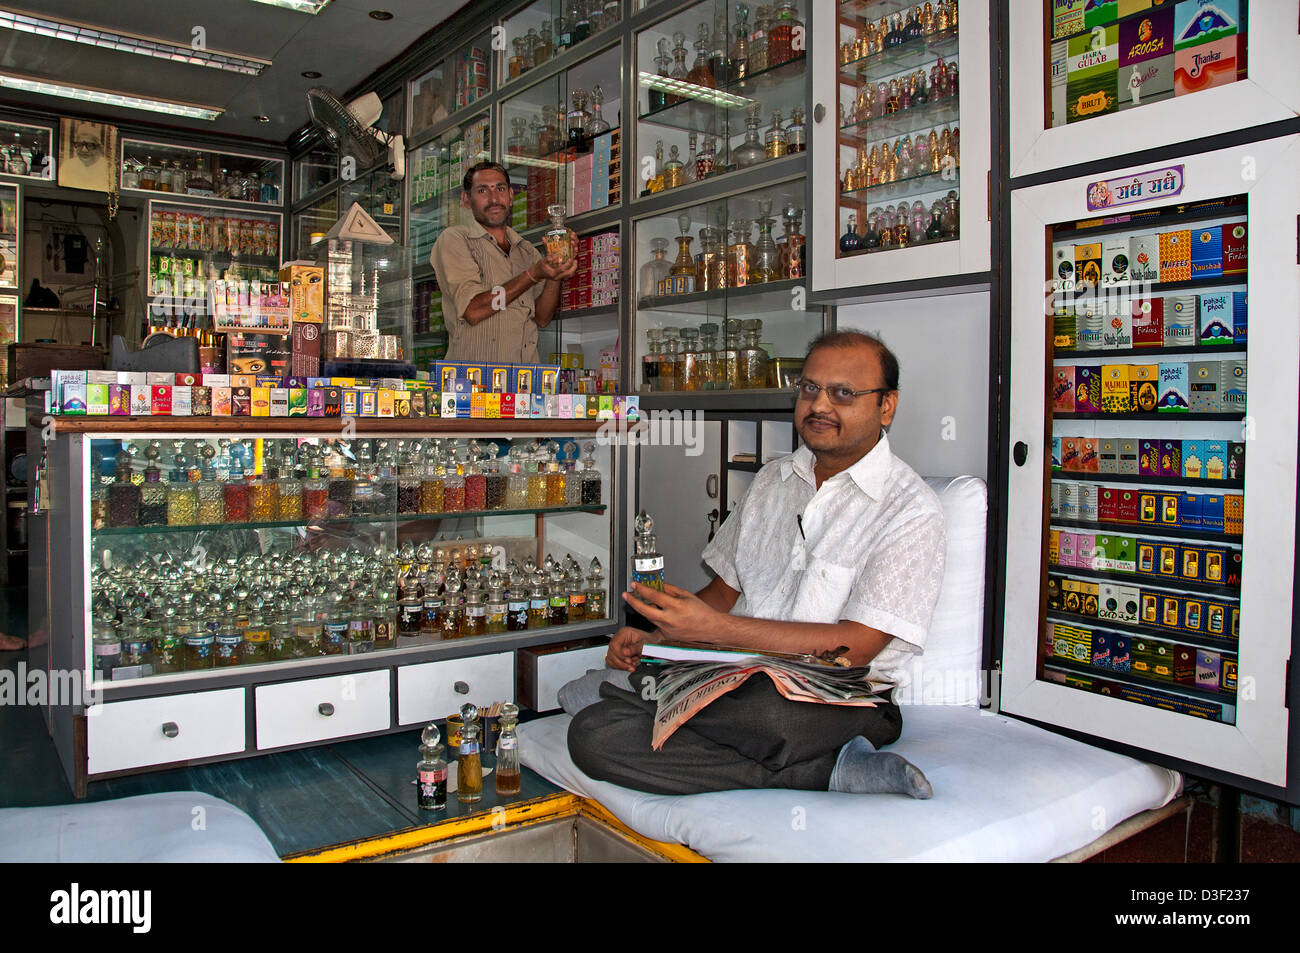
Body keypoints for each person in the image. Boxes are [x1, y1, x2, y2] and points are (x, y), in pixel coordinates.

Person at [563, 330, 947, 798]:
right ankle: (825, 772)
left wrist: (711, 634)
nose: (819, 405)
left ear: (886, 406)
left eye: (843, 393)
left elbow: (854, 649)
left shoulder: (910, 510)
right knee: (592, 735)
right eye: (809, 388)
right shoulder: (772, 481)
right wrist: (659, 638)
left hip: (835, 698)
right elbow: (723, 595)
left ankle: (645, 698)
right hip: (734, 674)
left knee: (762, 716)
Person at [429, 161, 577, 363]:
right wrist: (533, 275)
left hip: (523, 383)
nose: (493, 198)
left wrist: (555, 273)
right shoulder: (455, 240)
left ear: (510, 197)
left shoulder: (527, 251)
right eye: (482, 190)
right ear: (466, 199)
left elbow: (542, 317)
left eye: (500, 189)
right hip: (474, 384)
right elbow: (473, 311)